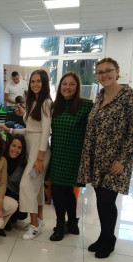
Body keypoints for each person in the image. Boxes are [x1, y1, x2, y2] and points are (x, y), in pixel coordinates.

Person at [77, 57, 133, 258]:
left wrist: (123, 160)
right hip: (97, 157)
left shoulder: (131, 97)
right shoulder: (99, 96)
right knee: (100, 200)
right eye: (100, 72)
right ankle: (104, 236)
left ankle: (109, 240)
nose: (104, 75)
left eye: (108, 70)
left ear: (117, 71)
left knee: (107, 200)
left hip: (116, 160)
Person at [0, 69, 52, 240]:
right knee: (36, 188)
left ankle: (35, 225)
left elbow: (44, 133)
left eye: (39, 81)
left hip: (39, 151)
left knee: (26, 186)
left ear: (44, 84)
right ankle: (40, 220)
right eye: (33, 81)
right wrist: (11, 129)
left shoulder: (46, 103)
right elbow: (29, 129)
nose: (35, 84)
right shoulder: (33, 102)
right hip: (31, 146)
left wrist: (40, 158)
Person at [47, 71, 93, 241]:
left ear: (77, 87)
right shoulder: (55, 106)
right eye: (64, 84)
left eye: (71, 84)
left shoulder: (86, 106)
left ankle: (67, 224)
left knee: (67, 190)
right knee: (59, 190)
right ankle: (66, 223)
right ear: (60, 87)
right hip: (58, 154)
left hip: (75, 156)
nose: (67, 87)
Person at [3, 134, 28, 231]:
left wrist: (20, 199)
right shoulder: (1, 158)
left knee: (22, 215)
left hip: (14, 194)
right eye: (13, 146)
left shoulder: (23, 164)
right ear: (9, 145)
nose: (15, 150)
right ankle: (5, 218)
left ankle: (10, 216)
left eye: (19, 147)